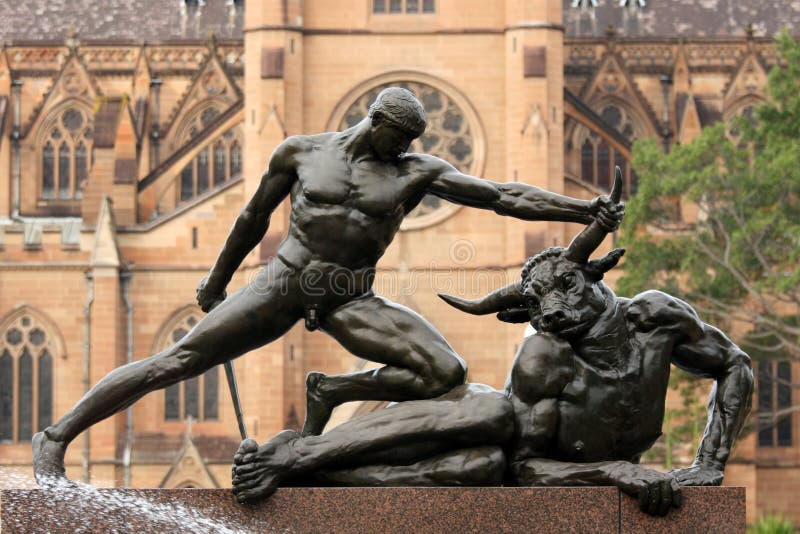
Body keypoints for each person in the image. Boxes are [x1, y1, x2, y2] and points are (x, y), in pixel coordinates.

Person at [32, 87, 623, 485]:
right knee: (177, 360)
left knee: (444, 373)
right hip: (284, 282)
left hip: (349, 296)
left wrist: (582, 211)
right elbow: (252, 218)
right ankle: (56, 436)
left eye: (412, 142)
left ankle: (331, 391)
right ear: (377, 122)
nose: (407, 149)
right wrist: (215, 281)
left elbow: (502, 195)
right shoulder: (302, 153)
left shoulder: (416, 173)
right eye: (400, 138)